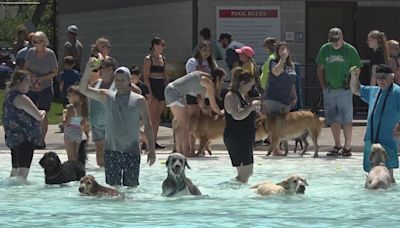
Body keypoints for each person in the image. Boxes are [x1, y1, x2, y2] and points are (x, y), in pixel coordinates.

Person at [79, 59, 156, 187]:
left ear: (129, 81)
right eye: (117, 79)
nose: (119, 82)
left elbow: (148, 126)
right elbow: (83, 89)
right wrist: (88, 68)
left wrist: (152, 151)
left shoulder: (139, 100)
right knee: (112, 190)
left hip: (132, 152)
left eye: (122, 79)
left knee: (131, 189)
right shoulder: (107, 96)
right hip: (111, 151)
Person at [316, 27, 363, 157]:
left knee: (347, 119)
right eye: (333, 40)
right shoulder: (325, 49)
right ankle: (337, 145)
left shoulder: (350, 50)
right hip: (330, 89)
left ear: (342, 37)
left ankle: (347, 147)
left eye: (337, 40)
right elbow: (320, 68)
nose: (335, 43)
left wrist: (352, 80)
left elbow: (357, 68)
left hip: (344, 89)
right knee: (333, 118)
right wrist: (323, 86)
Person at [350, 64, 400, 182]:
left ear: (391, 77)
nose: (381, 80)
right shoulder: (374, 91)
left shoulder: (397, 93)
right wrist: (354, 76)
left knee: (388, 176)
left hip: (388, 142)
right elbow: (355, 89)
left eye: (384, 77)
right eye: (378, 77)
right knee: (371, 176)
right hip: (371, 140)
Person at [164, 69, 225, 157]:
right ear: (218, 78)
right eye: (222, 80)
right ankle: (185, 153)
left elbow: (201, 102)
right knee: (185, 125)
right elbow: (213, 105)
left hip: (175, 92)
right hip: (174, 92)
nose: (222, 82)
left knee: (180, 124)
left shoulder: (203, 78)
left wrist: (206, 110)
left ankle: (180, 152)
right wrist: (221, 114)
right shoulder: (208, 82)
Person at [3, 70, 46, 180]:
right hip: (25, 140)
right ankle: (20, 196)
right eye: (27, 81)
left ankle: (11, 195)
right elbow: (39, 116)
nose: (29, 84)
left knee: (14, 173)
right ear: (19, 81)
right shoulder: (21, 98)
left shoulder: (8, 96)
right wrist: (43, 111)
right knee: (22, 175)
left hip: (13, 139)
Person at [223, 67, 261, 183]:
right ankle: (226, 190)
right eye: (250, 85)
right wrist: (251, 106)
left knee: (247, 173)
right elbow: (237, 115)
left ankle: (234, 191)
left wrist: (254, 107)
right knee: (245, 173)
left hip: (245, 137)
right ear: (242, 83)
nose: (251, 88)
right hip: (236, 138)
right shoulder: (231, 96)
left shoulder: (243, 96)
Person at [23, 31, 58, 149]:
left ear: (44, 42)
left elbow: (55, 72)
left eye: (39, 41)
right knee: (30, 113)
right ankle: (32, 138)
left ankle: (41, 140)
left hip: (45, 86)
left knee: (43, 112)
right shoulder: (31, 52)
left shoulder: (50, 54)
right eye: (34, 42)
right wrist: (33, 76)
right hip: (31, 87)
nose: (36, 44)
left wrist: (41, 78)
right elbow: (25, 68)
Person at [263, 42, 297, 155]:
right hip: (274, 98)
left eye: (286, 49)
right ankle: (275, 149)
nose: (284, 51)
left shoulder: (291, 65)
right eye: (282, 49)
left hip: (285, 99)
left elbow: (292, 81)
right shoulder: (274, 62)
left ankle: (278, 147)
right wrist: (282, 59)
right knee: (274, 125)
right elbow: (276, 72)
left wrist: (294, 95)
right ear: (277, 51)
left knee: (283, 125)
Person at [185, 40, 218, 155]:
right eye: (204, 50)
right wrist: (199, 97)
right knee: (193, 122)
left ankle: (203, 147)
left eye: (208, 51)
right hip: (194, 94)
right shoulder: (192, 62)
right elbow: (193, 78)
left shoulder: (211, 63)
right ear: (198, 50)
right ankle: (191, 148)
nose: (206, 53)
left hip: (207, 95)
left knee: (205, 122)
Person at [88, 57, 117, 167]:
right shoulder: (96, 83)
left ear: (110, 69)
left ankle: (111, 173)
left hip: (111, 123)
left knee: (110, 150)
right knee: (99, 149)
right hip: (96, 122)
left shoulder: (118, 83)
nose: (100, 70)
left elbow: (137, 92)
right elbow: (84, 92)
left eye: (102, 68)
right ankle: (101, 174)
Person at [143, 37, 168, 149]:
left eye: (163, 45)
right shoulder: (148, 59)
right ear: (154, 46)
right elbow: (146, 76)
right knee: (151, 117)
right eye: (161, 45)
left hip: (161, 86)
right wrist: (149, 92)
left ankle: (154, 141)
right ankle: (146, 141)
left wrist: (166, 87)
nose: (163, 47)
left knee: (158, 117)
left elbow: (165, 75)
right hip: (152, 85)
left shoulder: (163, 59)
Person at [63, 86, 89, 161]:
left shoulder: (71, 109)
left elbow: (66, 124)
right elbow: (84, 124)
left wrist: (62, 120)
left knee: (71, 157)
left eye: (70, 96)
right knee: (76, 156)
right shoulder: (83, 108)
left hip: (70, 131)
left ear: (77, 97)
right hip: (78, 132)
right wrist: (87, 135)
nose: (67, 97)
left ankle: (71, 171)